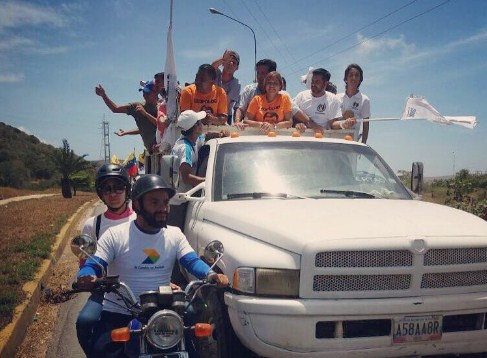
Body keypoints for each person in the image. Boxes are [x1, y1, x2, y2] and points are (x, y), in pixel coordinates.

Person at [76, 174, 229, 357]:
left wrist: (211, 275)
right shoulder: (115, 235)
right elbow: (95, 264)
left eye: (165, 202)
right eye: (154, 202)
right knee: (102, 350)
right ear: (138, 205)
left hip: (163, 311)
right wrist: (86, 275)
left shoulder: (174, 234)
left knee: (189, 348)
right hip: (120, 311)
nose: (163, 208)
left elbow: (191, 261)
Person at [76, 163, 135, 357]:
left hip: (139, 287)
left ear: (127, 189)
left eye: (118, 187)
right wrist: (87, 278)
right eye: (106, 188)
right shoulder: (93, 224)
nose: (113, 193)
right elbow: (86, 261)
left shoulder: (139, 219)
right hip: (106, 291)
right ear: (100, 193)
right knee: (85, 322)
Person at [95, 81, 159, 153]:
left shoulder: (162, 107)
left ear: (156, 93)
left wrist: (145, 114)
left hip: (162, 148)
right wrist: (103, 95)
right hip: (151, 151)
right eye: (143, 92)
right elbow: (115, 109)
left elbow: (162, 125)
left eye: (147, 93)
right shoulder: (137, 106)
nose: (144, 95)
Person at [293, 68, 348, 133]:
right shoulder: (301, 96)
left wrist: (343, 124)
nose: (313, 84)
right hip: (301, 136)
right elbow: (292, 115)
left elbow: (332, 124)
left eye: (317, 82)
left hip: (322, 138)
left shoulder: (333, 99)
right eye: (312, 81)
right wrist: (297, 124)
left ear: (325, 83)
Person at [336, 63, 370, 143]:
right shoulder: (336, 98)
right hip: (335, 138)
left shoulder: (364, 100)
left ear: (360, 79)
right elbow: (331, 121)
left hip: (352, 141)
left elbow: (366, 126)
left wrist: (363, 144)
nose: (353, 78)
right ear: (345, 79)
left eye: (357, 75)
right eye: (350, 75)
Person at [212, 50, 241, 124]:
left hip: (224, 116)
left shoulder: (236, 84)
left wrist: (222, 121)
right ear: (223, 63)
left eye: (234, 63)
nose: (230, 63)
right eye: (228, 61)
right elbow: (211, 67)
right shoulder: (216, 73)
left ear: (237, 68)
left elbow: (226, 104)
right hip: (210, 112)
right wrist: (223, 59)